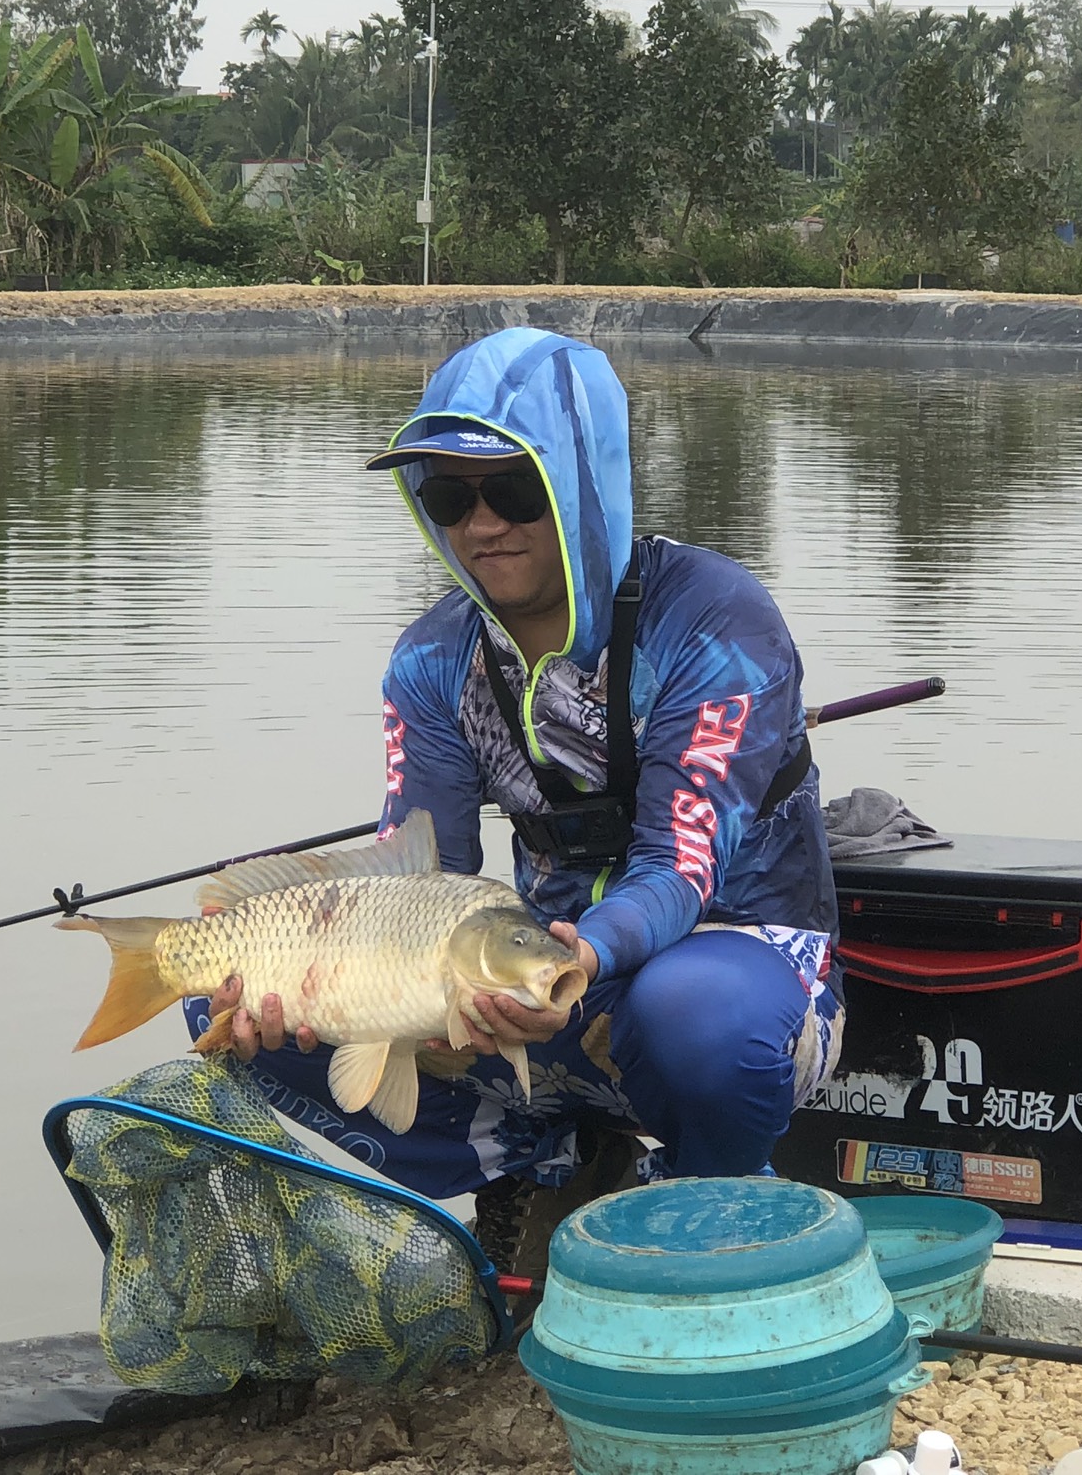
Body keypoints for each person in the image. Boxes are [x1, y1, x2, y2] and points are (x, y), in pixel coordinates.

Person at [195, 327, 841, 1246]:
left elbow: (680, 868)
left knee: (691, 1015)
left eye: (514, 490)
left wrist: (580, 959)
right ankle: (538, 1171)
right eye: (448, 497)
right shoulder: (433, 657)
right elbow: (421, 877)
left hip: (736, 956)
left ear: (583, 483)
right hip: (518, 981)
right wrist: (341, 986)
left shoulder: (713, 617)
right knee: (225, 992)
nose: (482, 524)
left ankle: (714, 1194)